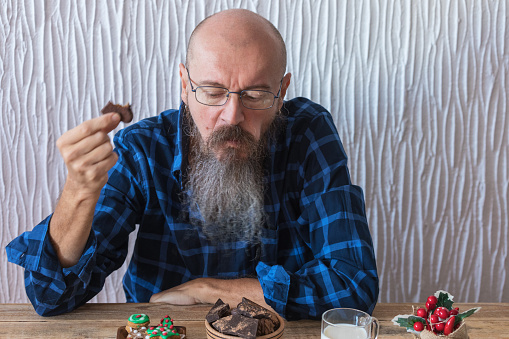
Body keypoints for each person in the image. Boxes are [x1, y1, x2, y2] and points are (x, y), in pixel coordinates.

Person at [6, 9, 379, 320]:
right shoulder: (143, 150)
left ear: (281, 93)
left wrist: (211, 290)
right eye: (213, 92)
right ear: (184, 84)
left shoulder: (308, 134)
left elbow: (354, 285)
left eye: (255, 94)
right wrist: (79, 191)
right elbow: (50, 295)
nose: (232, 116)